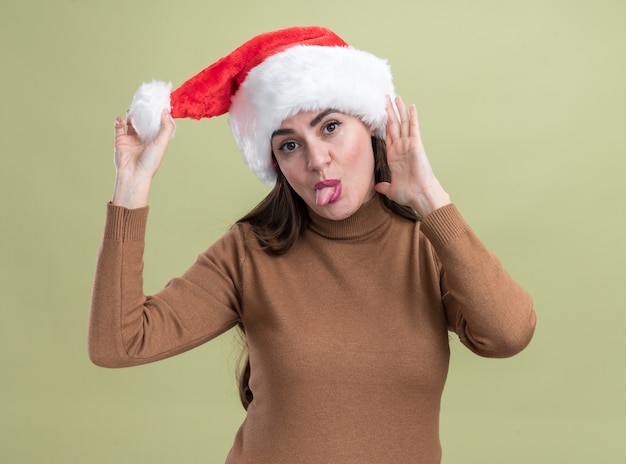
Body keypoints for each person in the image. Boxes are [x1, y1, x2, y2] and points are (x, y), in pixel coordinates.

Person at [89, 26, 536, 464]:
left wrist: (431, 199)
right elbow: (120, 342)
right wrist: (131, 185)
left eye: (331, 127)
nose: (316, 161)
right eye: (289, 145)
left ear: (373, 127)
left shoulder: (428, 245)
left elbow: (508, 333)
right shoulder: (249, 252)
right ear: (277, 164)